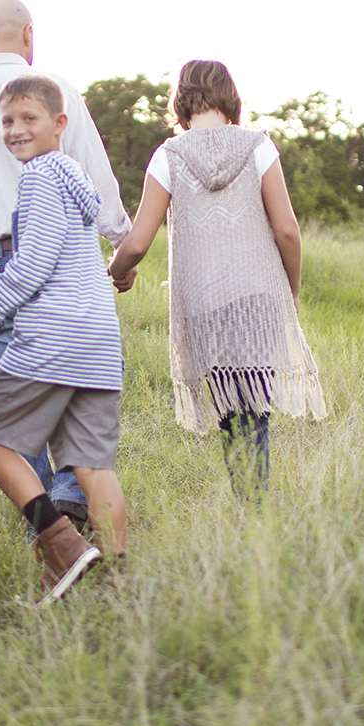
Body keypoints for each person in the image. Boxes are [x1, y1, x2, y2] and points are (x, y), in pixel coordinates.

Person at [0, 0, 131, 539]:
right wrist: (121, 243)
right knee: (66, 395)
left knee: (13, 400)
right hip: (72, 266)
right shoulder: (55, 88)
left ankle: (49, 528)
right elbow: (95, 171)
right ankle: (75, 511)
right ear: (28, 34)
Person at [106, 59, 326, 494]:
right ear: (230, 97)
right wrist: (292, 291)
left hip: (205, 304)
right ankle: (254, 511)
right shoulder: (258, 146)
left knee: (233, 413)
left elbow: (136, 243)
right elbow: (287, 230)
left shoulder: (169, 156)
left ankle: (251, 509)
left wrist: (113, 271)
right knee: (253, 412)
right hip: (260, 298)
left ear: (182, 101)